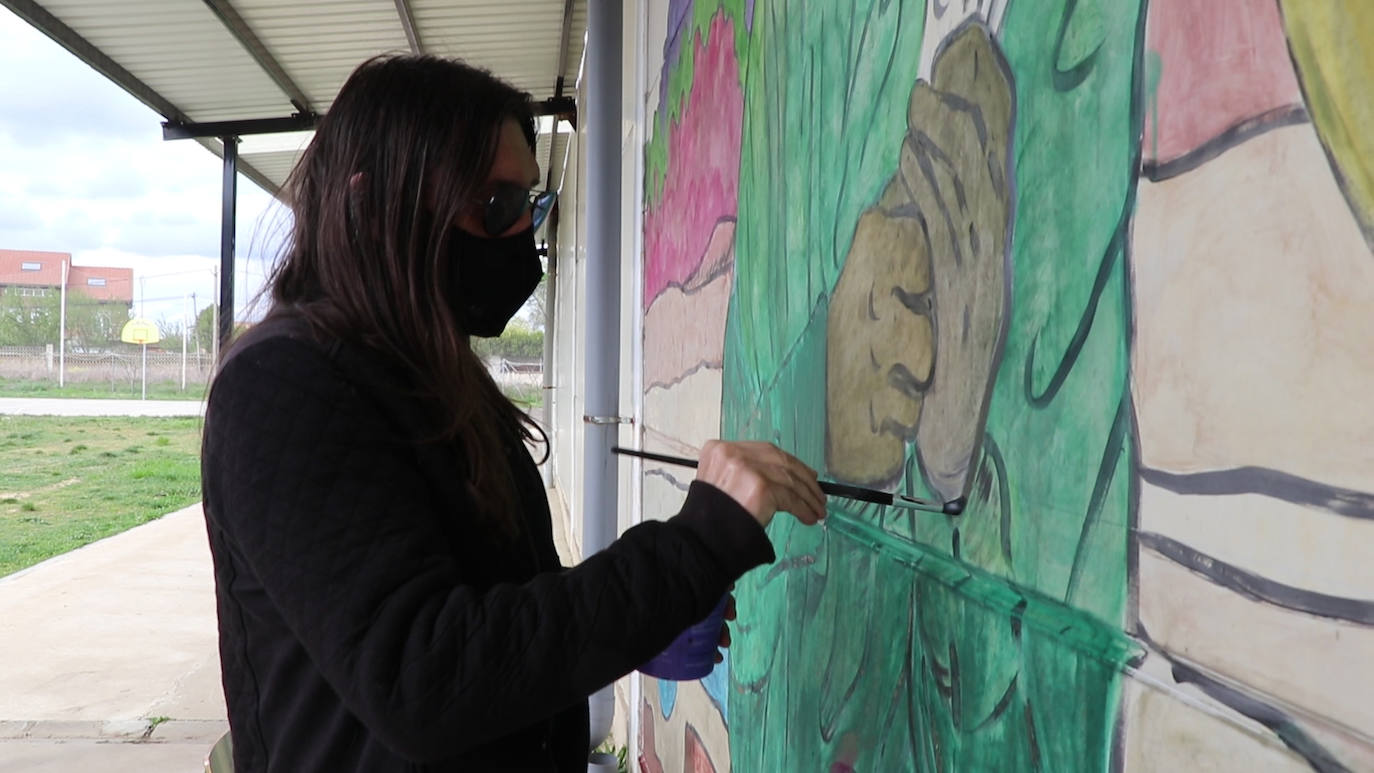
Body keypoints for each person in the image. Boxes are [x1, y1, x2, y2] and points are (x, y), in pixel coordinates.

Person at [200, 54, 827, 772]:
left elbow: (495, 614)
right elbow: (423, 678)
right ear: (372, 208)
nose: (519, 242)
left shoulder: (432, 375)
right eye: (494, 208)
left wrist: (633, 625)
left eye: (530, 208)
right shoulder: (285, 385)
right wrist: (697, 541)